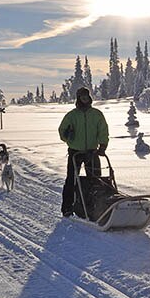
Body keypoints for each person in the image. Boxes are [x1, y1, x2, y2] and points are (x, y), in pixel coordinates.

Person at [58, 87, 109, 217]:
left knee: (96, 180)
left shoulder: (96, 114)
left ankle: (96, 207)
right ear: (78, 98)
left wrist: (103, 146)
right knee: (71, 180)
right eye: (82, 97)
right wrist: (66, 134)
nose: (84, 99)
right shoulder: (72, 115)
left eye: (86, 96)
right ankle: (67, 207)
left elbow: (103, 130)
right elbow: (62, 130)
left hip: (92, 152)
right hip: (75, 152)